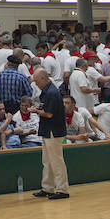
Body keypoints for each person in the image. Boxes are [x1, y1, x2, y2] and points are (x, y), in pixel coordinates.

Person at [31, 68, 68, 199]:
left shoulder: (52, 92)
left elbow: (49, 113)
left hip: (54, 131)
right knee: (47, 161)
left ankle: (63, 189)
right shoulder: (47, 91)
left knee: (56, 161)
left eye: (36, 81)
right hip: (47, 130)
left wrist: (36, 111)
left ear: (43, 78)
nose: (35, 83)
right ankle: (47, 187)